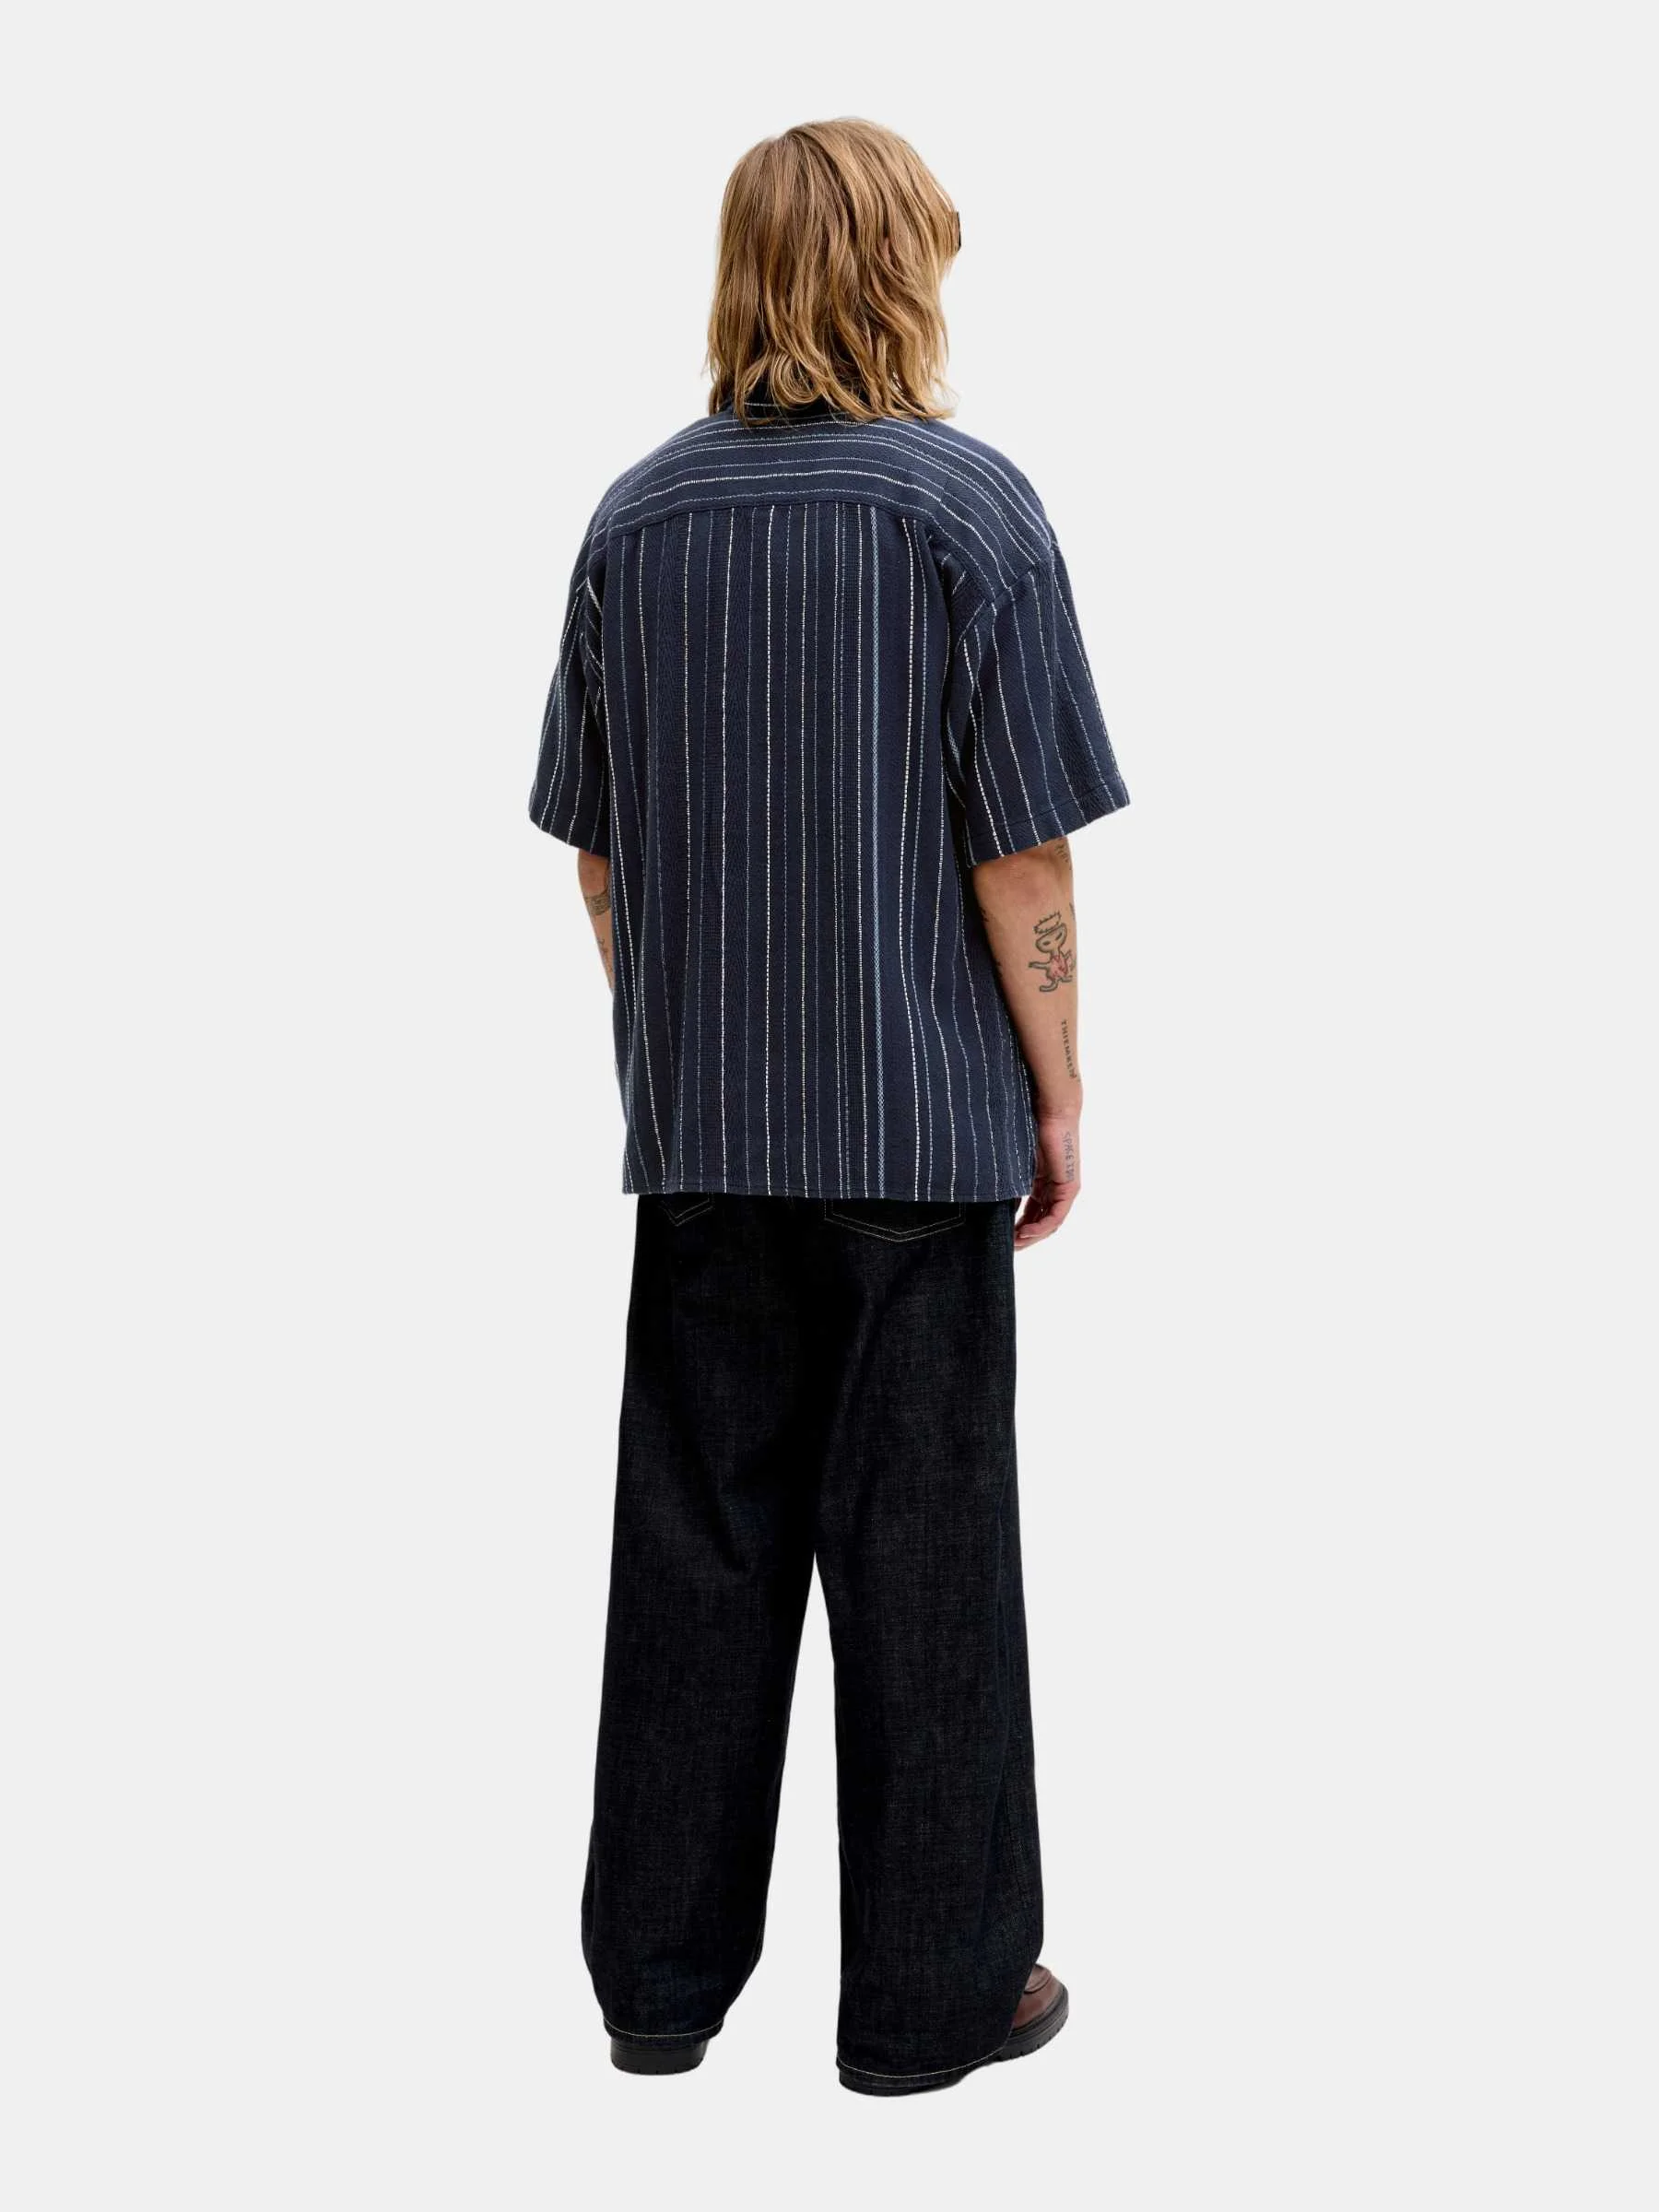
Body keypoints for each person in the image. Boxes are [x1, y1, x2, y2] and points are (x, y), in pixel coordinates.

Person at [529, 118, 1128, 2096]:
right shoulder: (968, 510)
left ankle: (657, 1992)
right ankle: (936, 2007)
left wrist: (683, 1055)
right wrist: (1059, 1091)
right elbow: (1022, 856)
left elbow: (599, 859)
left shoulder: (632, 522)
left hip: (704, 1147)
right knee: (925, 1569)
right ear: (898, 272)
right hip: (918, 1134)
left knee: (692, 1558)